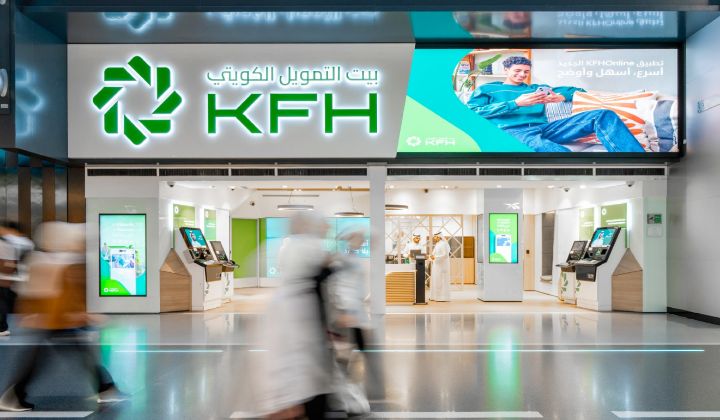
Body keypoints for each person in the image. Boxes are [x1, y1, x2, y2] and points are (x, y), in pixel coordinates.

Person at [0, 222, 127, 412]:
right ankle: (14, 395)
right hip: (55, 321)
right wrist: (79, 315)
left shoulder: (47, 261)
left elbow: (37, 292)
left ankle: (105, 388)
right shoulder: (58, 263)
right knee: (51, 357)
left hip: (56, 321)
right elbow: (58, 297)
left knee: (66, 354)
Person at [466, 56, 645, 153]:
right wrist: (515, 103)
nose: (522, 75)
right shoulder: (487, 89)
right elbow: (472, 112)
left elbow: (577, 90)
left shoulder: (535, 88)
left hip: (545, 128)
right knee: (558, 153)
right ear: (506, 70)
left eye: (526, 72)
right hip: (512, 131)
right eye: (517, 71)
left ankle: (634, 162)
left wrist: (561, 97)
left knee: (602, 115)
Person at [258, 212, 335, 420]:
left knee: (287, 364)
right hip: (300, 313)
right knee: (302, 366)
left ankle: (287, 404)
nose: (325, 228)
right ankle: (291, 406)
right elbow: (324, 273)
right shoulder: (308, 247)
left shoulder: (288, 246)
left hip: (289, 312)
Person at [0, 222, 33, 336]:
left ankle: (2, 327)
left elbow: (9, 263)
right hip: (16, 277)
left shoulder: (11, 241)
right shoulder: (27, 243)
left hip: (9, 277)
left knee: (4, 302)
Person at [430, 233, 451, 302]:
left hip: (442, 266)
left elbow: (445, 255)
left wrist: (435, 257)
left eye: (435, 237)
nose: (434, 238)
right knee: (436, 280)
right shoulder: (437, 244)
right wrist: (431, 256)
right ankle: (435, 296)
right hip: (436, 265)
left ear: (439, 237)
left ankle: (442, 297)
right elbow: (434, 254)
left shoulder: (443, 244)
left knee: (441, 281)